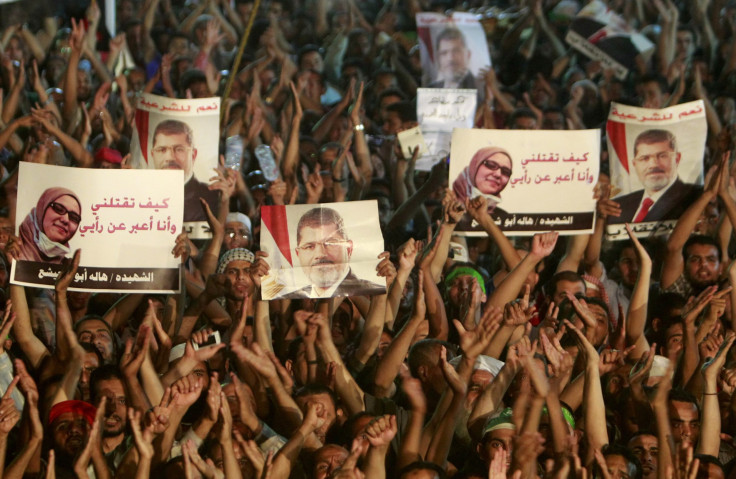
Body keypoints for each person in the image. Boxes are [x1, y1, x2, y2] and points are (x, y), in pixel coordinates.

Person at [283, 207, 383, 299]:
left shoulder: (375, 294)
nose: (320, 254)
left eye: (330, 243)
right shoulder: (290, 299)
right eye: (309, 246)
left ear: (348, 249)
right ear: (298, 254)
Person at [609, 129, 700, 224]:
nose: (653, 165)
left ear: (677, 159)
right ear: (634, 164)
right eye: (644, 158)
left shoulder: (694, 198)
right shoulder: (619, 205)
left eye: (662, 156)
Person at [149, 119, 219, 222]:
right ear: (153, 155)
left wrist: (225, 202)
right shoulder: (141, 194)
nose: (170, 157)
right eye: (162, 150)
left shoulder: (213, 197)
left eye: (179, 149)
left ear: (193, 155)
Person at [18, 187, 82, 263]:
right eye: (58, 208)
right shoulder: (11, 245)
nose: (65, 220)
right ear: (42, 208)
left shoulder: (66, 266)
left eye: (74, 218)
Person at [452, 146, 513, 217]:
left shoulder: (504, 217)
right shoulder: (446, 207)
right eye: (491, 165)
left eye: (506, 172)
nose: (498, 174)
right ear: (475, 166)